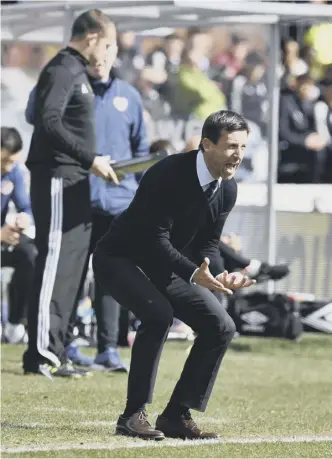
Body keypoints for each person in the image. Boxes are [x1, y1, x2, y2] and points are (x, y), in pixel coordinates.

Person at [93, 110, 255, 440]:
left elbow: (208, 242)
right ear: (206, 145)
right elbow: (155, 240)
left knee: (221, 326)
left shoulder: (227, 188)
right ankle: (132, 416)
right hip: (120, 258)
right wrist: (194, 273)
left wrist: (222, 274)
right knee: (158, 315)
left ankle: (176, 416)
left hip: (163, 265)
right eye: (231, 146)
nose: (238, 155)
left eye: (243, 146)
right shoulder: (168, 173)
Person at [22, 9, 119, 379]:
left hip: (77, 178)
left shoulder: (79, 72)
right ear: (92, 37)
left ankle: (58, 350)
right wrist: (88, 157)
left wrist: (92, 162)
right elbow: (47, 120)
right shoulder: (62, 68)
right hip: (59, 176)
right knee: (55, 263)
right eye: (108, 44)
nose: (109, 53)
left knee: (72, 268)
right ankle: (42, 353)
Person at [1, 127, 37, 344]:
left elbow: (26, 206)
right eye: (4, 160)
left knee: (30, 254)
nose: (7, 166)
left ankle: (15, 322)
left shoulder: (13, 172)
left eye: (12, 161)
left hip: (5, 237)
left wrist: (23, 219)